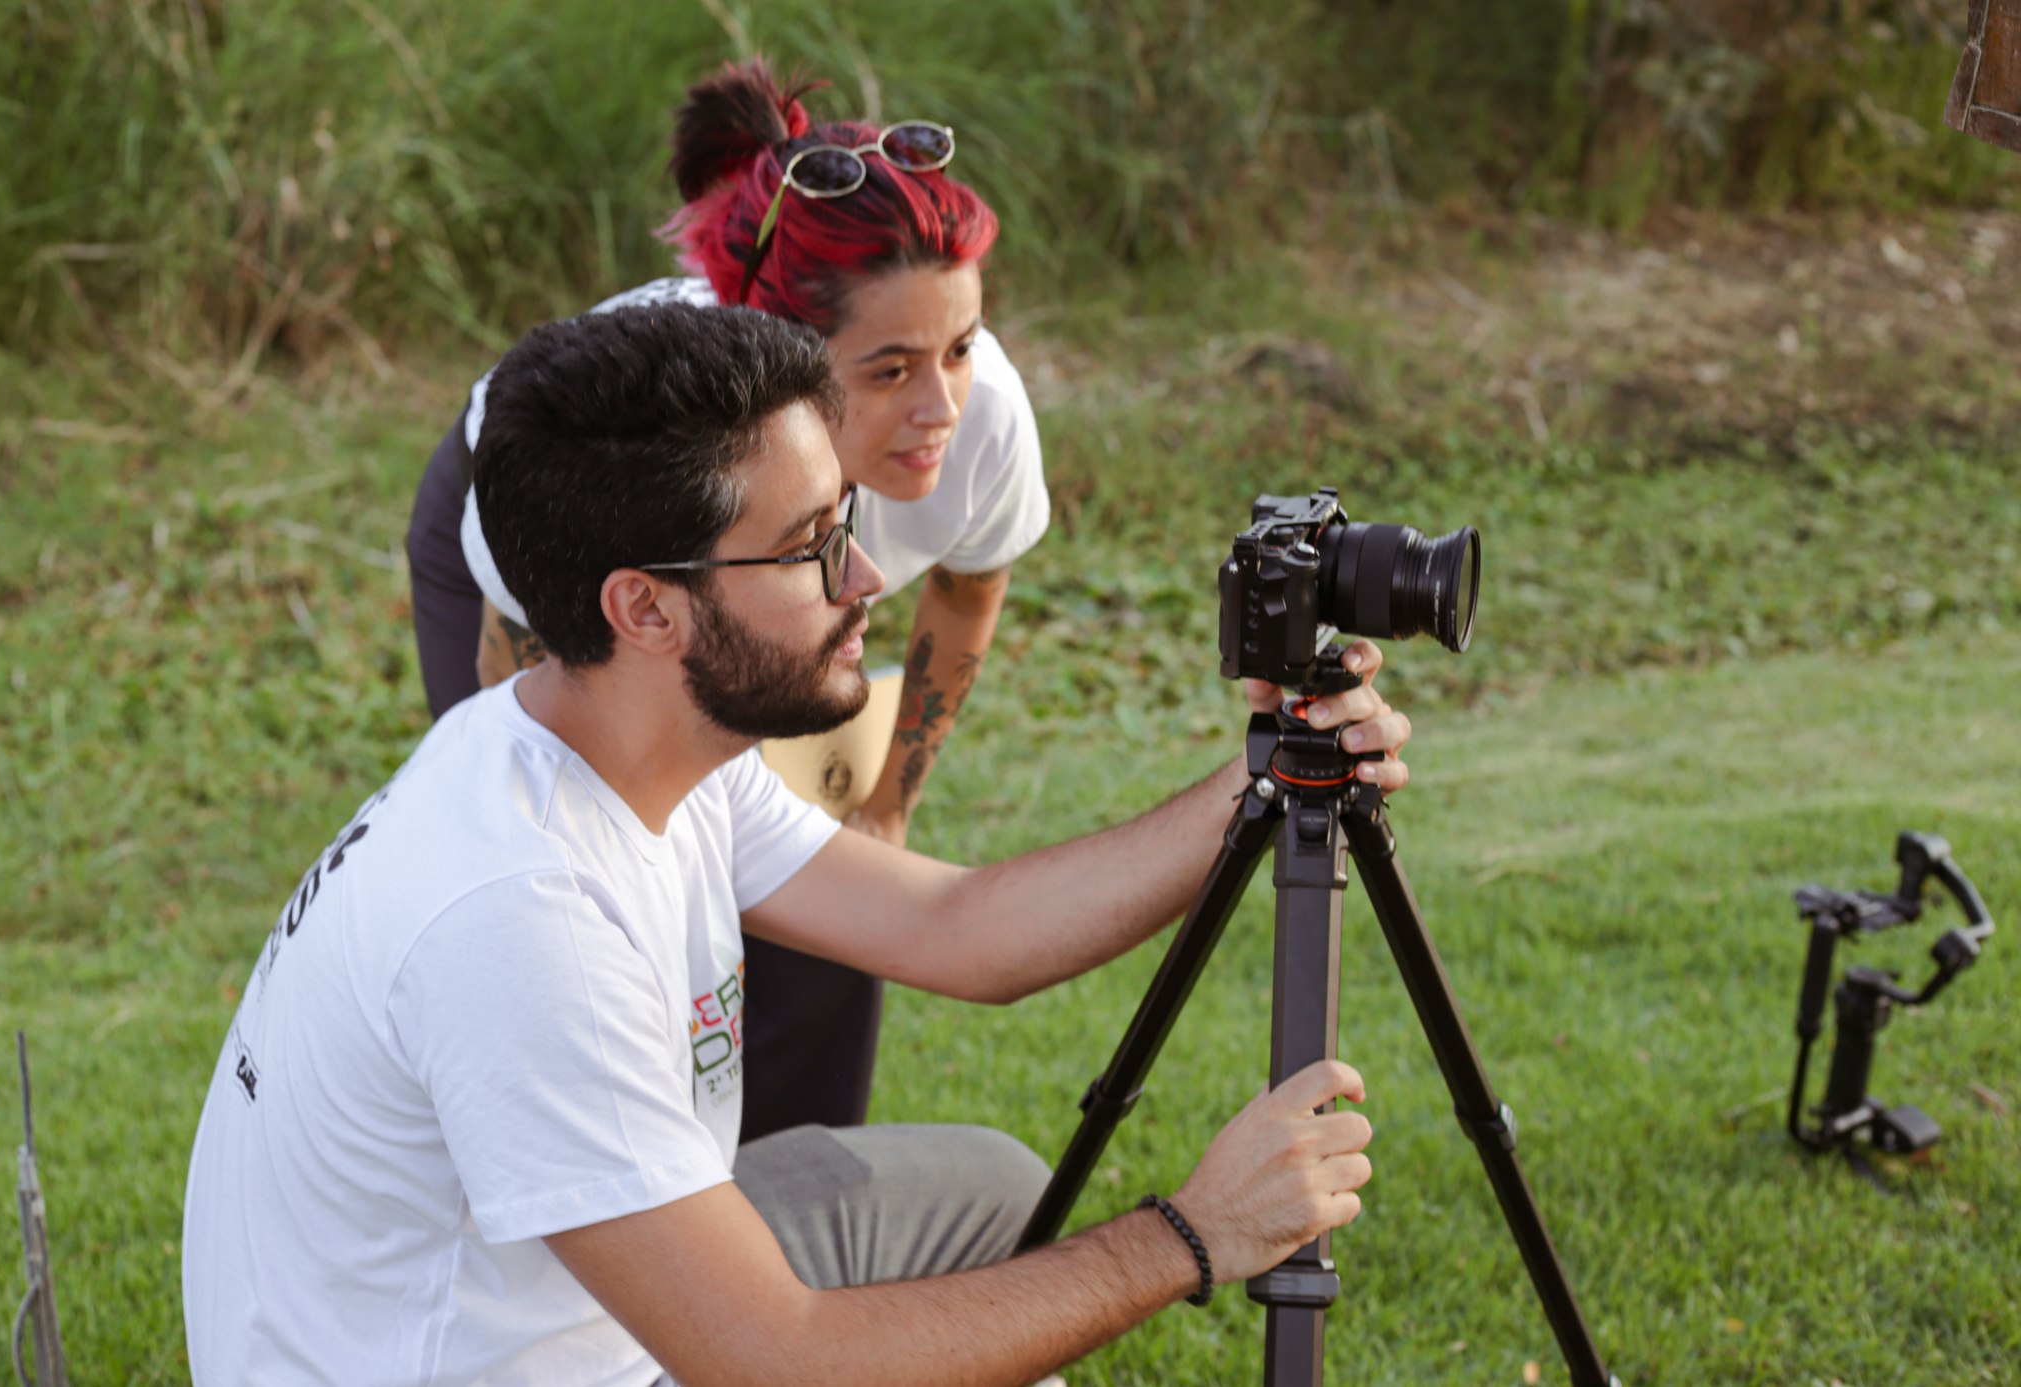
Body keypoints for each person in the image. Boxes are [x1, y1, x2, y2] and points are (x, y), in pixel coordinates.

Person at [188, 303, 1408, 1387]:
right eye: (811, 544)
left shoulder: (631, 744)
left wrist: (1257, 781)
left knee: (991, 1194)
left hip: (578, 1325)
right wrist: (1190, 1234)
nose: (866, 574)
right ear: (645, 606)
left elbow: (957, 928)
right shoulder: (520, 917)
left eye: (847, 521)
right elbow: (772, 1360)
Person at [406, 60, 1046, 1141]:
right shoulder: (636, 463)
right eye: (890, 370)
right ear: (785, 358)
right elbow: (526, 714)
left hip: (760, 572)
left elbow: (970, 582)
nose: (942, 405)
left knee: (832, 898)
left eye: (960, 348)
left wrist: (888, 802)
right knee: (589, 904)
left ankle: (788, 1203)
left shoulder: (978, 419)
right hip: (546, 542)